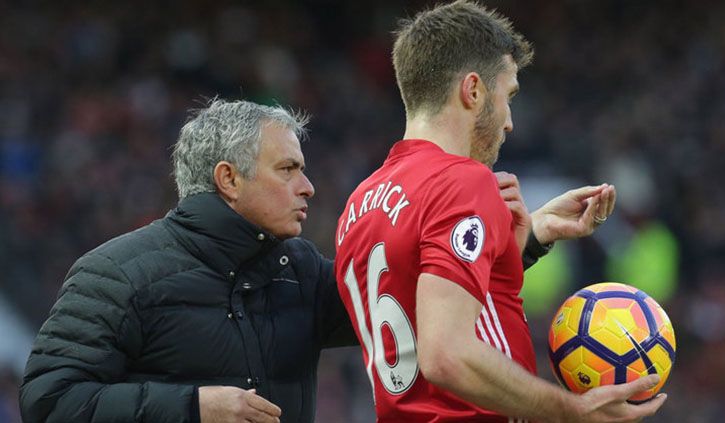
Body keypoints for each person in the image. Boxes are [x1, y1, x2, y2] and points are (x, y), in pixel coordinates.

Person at [333, 1, 666, 422]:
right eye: (507, 96)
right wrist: (569, 409)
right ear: (472, 90)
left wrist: (527, 240)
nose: (509, 121)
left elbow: (427, 301)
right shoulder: (463, 181)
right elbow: (446, 354)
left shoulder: (360, 203)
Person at [19, 99, 357, 423]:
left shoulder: (300, 271)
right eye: (287, 169)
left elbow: (393, 298)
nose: (308, 187)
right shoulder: (118, 274)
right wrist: (192, 407)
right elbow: (50, 402)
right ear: (229, 179)